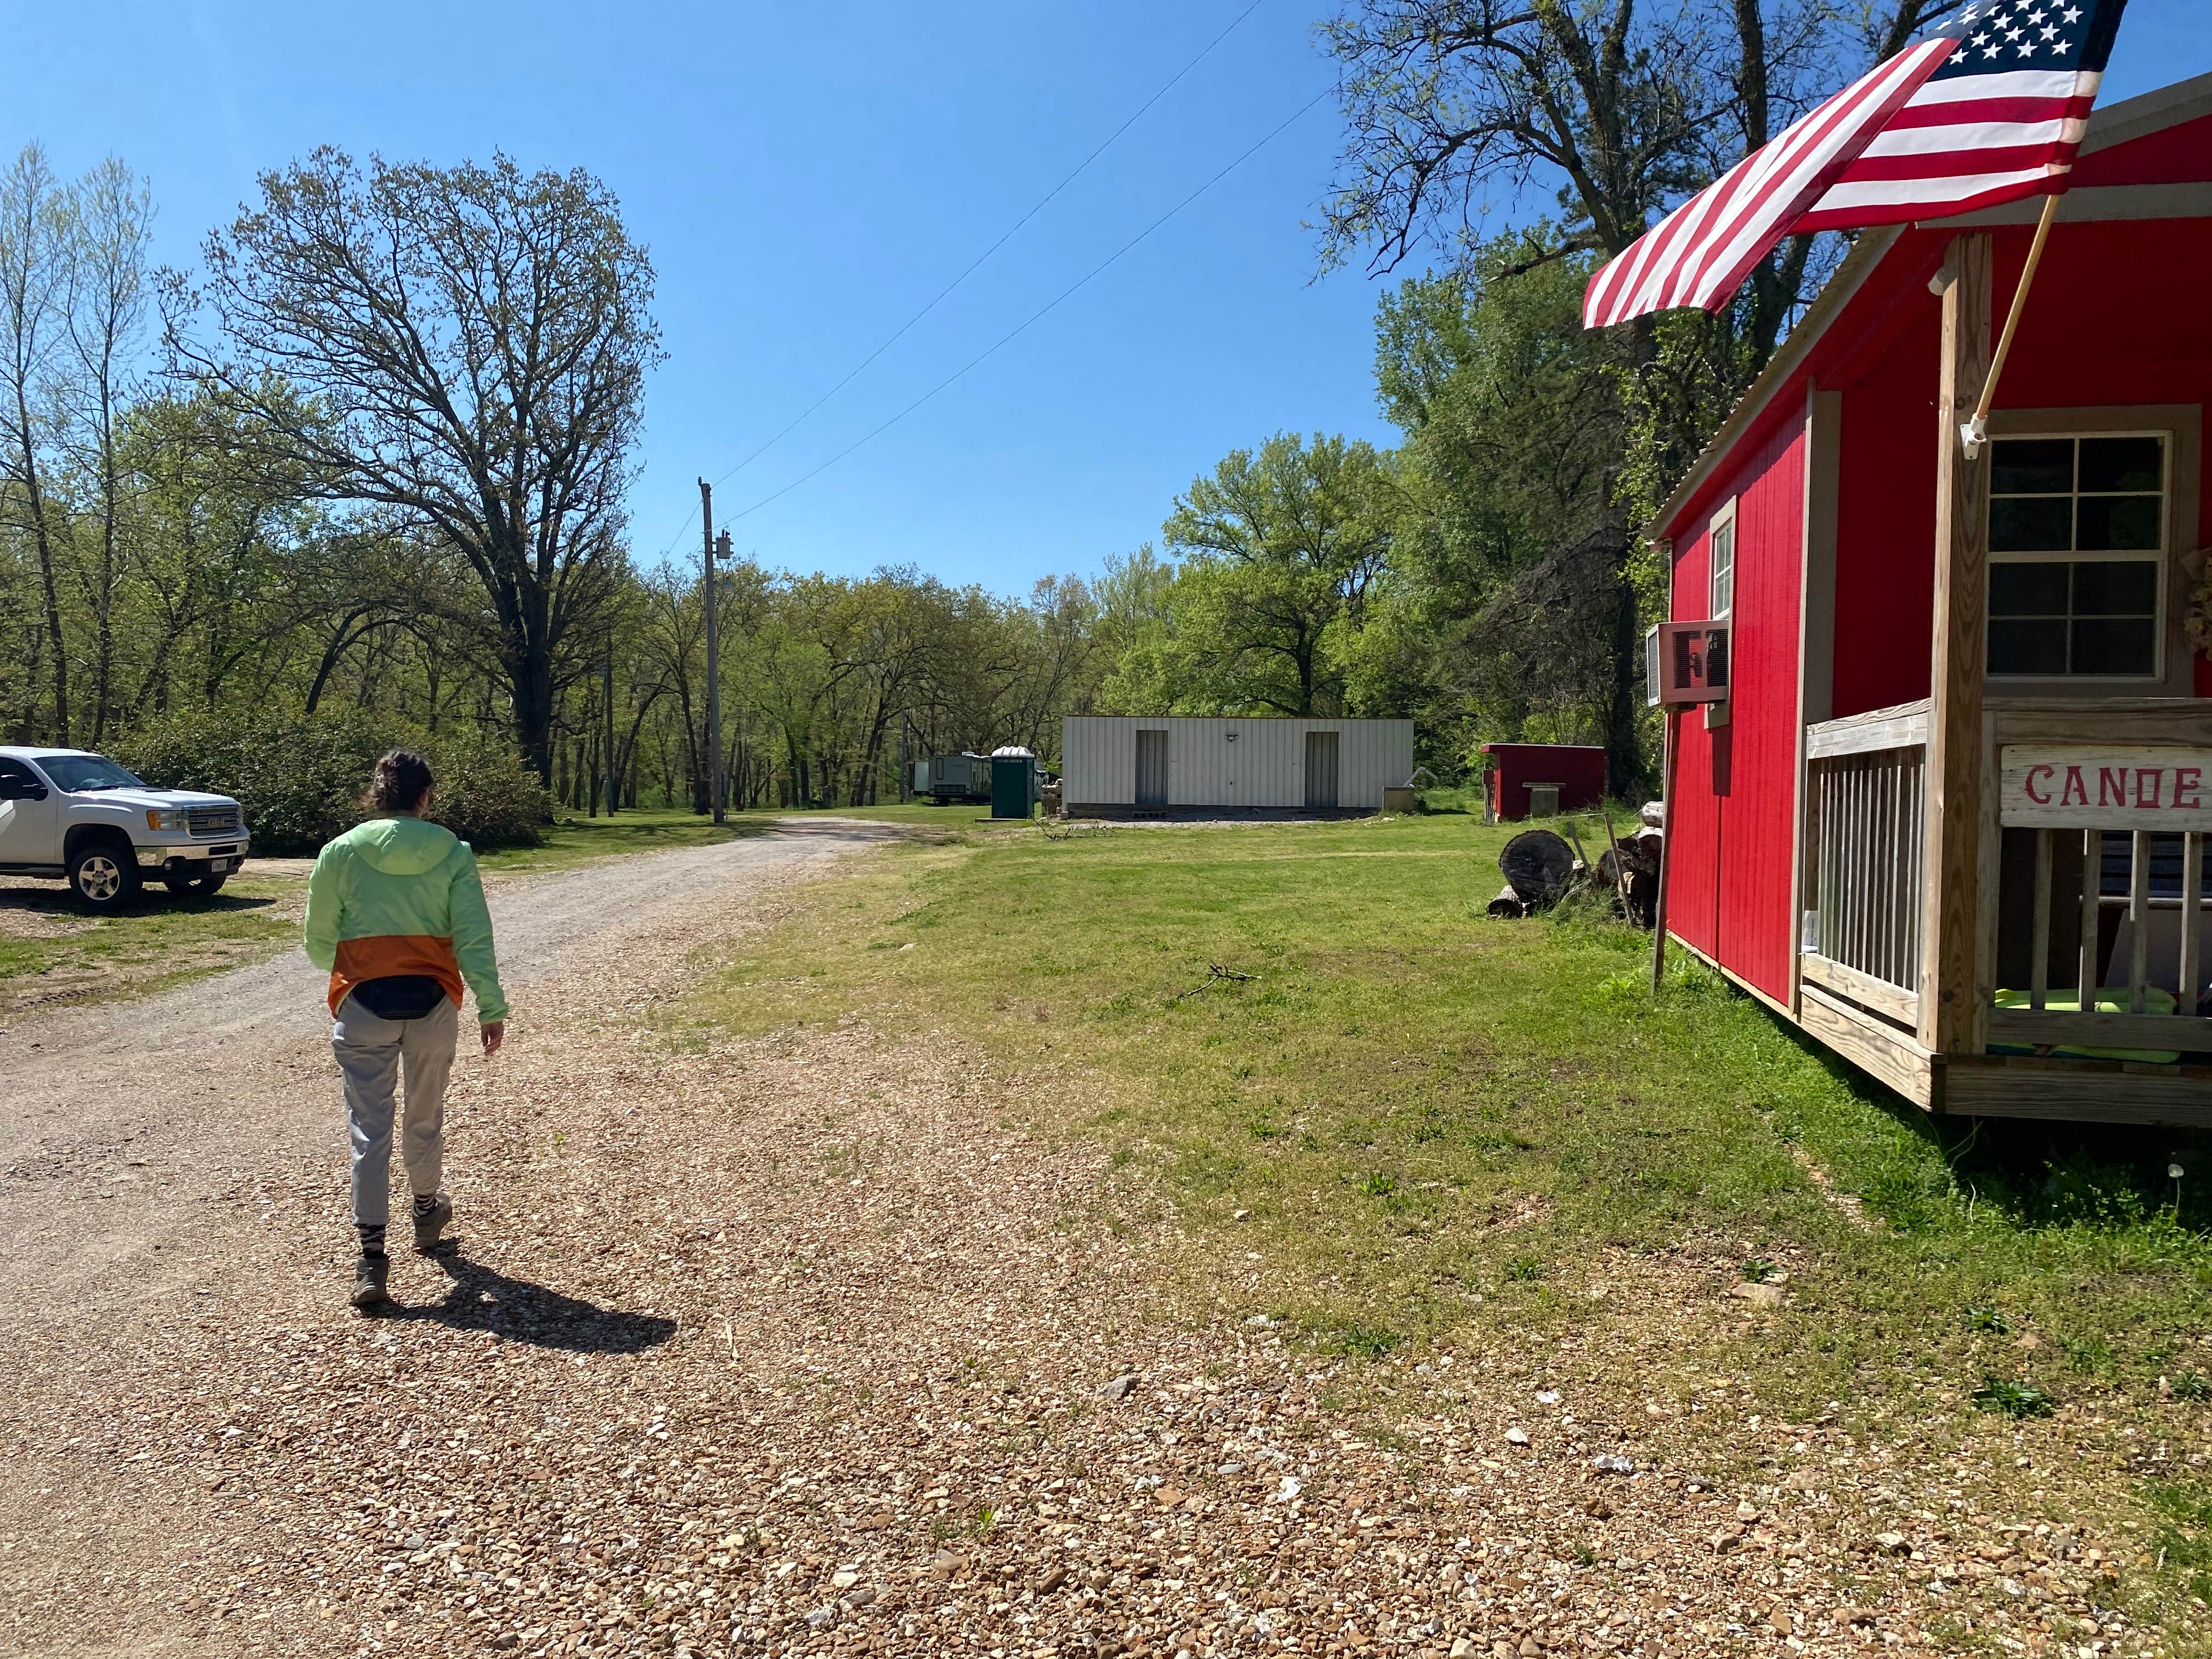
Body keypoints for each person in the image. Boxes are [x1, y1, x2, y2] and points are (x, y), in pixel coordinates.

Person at [303, 751, 509, 1308]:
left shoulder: (340, 852)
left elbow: (318, 938)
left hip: (363, 1003)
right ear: (426, 797)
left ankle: (371, 1260)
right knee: (424, 1114)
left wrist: (353, 970)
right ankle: (425, 1210)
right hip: (433, 1003)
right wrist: (491, 1005)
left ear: (376, 795)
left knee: (369, 1130)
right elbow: (473, 935)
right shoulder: (453, 852)